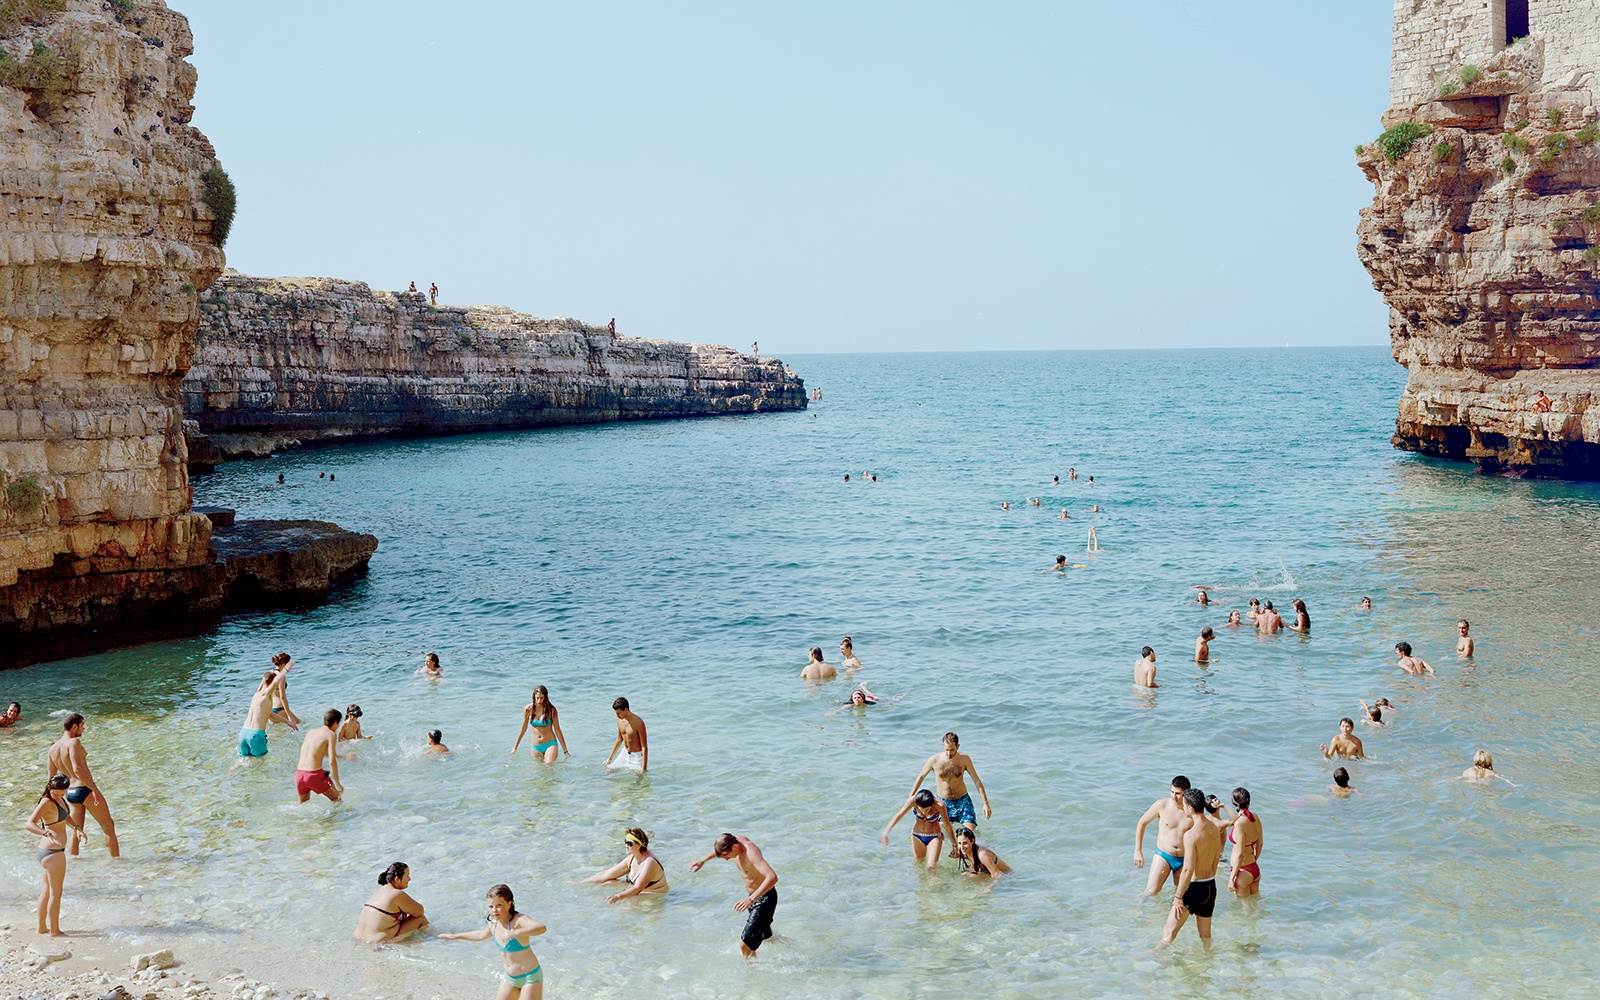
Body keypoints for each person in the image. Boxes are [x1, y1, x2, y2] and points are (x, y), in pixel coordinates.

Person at [440, 884, 547, 996]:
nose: (494, 910)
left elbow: (541, 927)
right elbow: (481, 935)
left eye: (499, 905)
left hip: (529, 977)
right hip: (510, 978)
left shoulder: (519, 920)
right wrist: (455, 936)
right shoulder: (493, 924)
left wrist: (516, 932)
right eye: (491, 907)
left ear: (509, 904)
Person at [688, 833, 779, 958]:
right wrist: (702, 860)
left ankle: (750, 973)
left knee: (744, 945)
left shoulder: (751, 853)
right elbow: (720, 850)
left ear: (735, 847)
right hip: (752, 897)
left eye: (726, 855)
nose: (726, 859)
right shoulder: (732, 841)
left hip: (764, 898)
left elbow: (772, 877)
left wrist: (751, 899)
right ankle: (786, 944)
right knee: (766, 937)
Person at [1160, 789, 1224, 949]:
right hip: (1210, 887)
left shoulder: (1191, 835)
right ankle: (1208, 960)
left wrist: (1178, 897)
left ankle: (1156, 959)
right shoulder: (1214, 829)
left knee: (1168, 932)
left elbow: (1188, 870)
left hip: (1194, 889)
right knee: (1205, 936)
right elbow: (1216, 860)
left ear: (1190, 808)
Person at [47, 714, 118, 858]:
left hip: (71, 792)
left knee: (76, 829)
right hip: (84, 788)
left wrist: (50, 799)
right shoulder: (74, 743)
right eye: (82, 725)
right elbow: (78, 769)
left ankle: (74, 862)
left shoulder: (52, 749)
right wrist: (94, 789)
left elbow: (51, 779)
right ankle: (117, 862)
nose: (83, 728)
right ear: (74, 726)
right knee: (108, 825)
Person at [910, 733, 993, 840]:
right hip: (943, 803)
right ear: (943, 746)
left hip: (963, 802)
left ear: (958, 746)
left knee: (970, 834)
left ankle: (981, 849)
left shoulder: (964, 759)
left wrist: (985, 803)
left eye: (952, 750)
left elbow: (977, 781)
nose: (949, 753)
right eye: (946, 749)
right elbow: (920, 777)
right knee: (942, 836)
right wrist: (911, 797)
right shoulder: (934, 760)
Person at [26, 773, 77, 937]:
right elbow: (29, 824)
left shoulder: (59, 799)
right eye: (56, 793)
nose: (59, 796)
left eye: (62, 794)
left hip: (50, 852)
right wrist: (45, 833)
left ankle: (42, 928)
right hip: (52, 852)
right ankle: (55, 931)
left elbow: (64, 816)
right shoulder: (47, 801)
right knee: (56, 892)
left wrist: (77, 828)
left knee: (47, 890)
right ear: (49, 787)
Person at [1133, 775, 1193, 894]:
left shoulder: (1192, 811)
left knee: (1182, 895)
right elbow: (1142, 823)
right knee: (1151, 891)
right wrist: (1138, 851)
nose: (1174, 796)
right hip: (1164, 855)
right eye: (1172, 792)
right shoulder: (1162, 805)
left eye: (1178, 793)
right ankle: (1138, 910)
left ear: (1186, 793)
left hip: (1184, 858)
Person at [576, 828, 669, 902]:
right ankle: (585, 896)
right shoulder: (631, 859)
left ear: (638, 846)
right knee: (609, 882)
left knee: (631, 899)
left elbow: (637, 888)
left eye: (629, 843)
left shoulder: (650, 862)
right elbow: (606, 874)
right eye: (625, 842)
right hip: (638, 889)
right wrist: (579, 883)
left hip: (655, 893)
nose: (626, 845)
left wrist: (617, 896)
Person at [881, 789, 957, 870]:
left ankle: (934, 882)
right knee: (919, 864)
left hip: (934, 836)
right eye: (921, 810)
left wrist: (954, 845)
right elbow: (899, 815)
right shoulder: (912, 801)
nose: (924, 812)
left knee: (931, 866)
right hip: (917, 836)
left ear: (932, 804)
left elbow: (947, 825)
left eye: (927, 810)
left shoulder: (940, 805)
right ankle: (922, 882)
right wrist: (885, 832)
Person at [354, 861, 429, 943]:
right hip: (377, 943)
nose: (409, 879)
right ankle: (433, 939)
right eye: (407, 875)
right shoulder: (396, 894)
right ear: (397, 879)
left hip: (358, 939)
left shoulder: (380, 890)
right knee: (420, 919)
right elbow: (419, 912)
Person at [238, 670, 294, 761]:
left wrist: (288, 722)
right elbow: (273, 683)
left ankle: (233, 771)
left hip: (243, 733)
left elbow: (270, 714)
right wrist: (285, 670)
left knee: (243, 761)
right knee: (260, 764)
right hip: (255, 735)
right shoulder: (265, 695)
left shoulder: (256, 695)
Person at [295, 709, 344, 803]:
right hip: (314, 776)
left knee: (302, 803)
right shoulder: (331, 734)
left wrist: (343, 757)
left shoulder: (311, 732)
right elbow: (331, 761)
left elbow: (318, 752)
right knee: (337, 799)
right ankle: (330, 818)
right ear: (335, 722)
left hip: (299, 774)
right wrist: (338, 784)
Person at [511, 685, 568, 763]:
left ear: (546, 697)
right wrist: (515, 748)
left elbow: (557, 730)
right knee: (539, 772)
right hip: (536, 747)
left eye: (542, 698)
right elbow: (523, 729)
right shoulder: (528, 709)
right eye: (537, 698)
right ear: (534, 697)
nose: (539, 701)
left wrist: (565, 751)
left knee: (548, 766)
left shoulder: (551, 710)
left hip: (550, 744)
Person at [1225, 787, 1262, 898]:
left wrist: (1231, 879)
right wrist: (1254, 860)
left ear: (1234, 803)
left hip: (1242, 871)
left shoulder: (1240, 823)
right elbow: (1260, 844)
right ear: (1248, 802)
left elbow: (1240, 854)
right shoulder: (1255, 817)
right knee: (1254, 903)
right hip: (1254, 868)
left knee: (1244, 909)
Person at [605, 697, 648, 773]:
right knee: (608, 771)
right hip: (625, 753)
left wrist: (643, 770)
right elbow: (619, 739)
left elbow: (644, 747)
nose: (617, 716)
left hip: (636, 756)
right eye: (616, 713)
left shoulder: (638, 723)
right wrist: (609, 758)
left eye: (619, 713)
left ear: (626, 710)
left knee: (639, 780)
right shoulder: (619, 719)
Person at [267, 652, 300, 728]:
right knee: (300, 723)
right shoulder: (281, 677)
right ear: (283, 664)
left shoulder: (269, 673)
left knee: (277, 733)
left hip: (269, 709)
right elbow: (282, 697)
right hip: (279, 708)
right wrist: (289, 716)